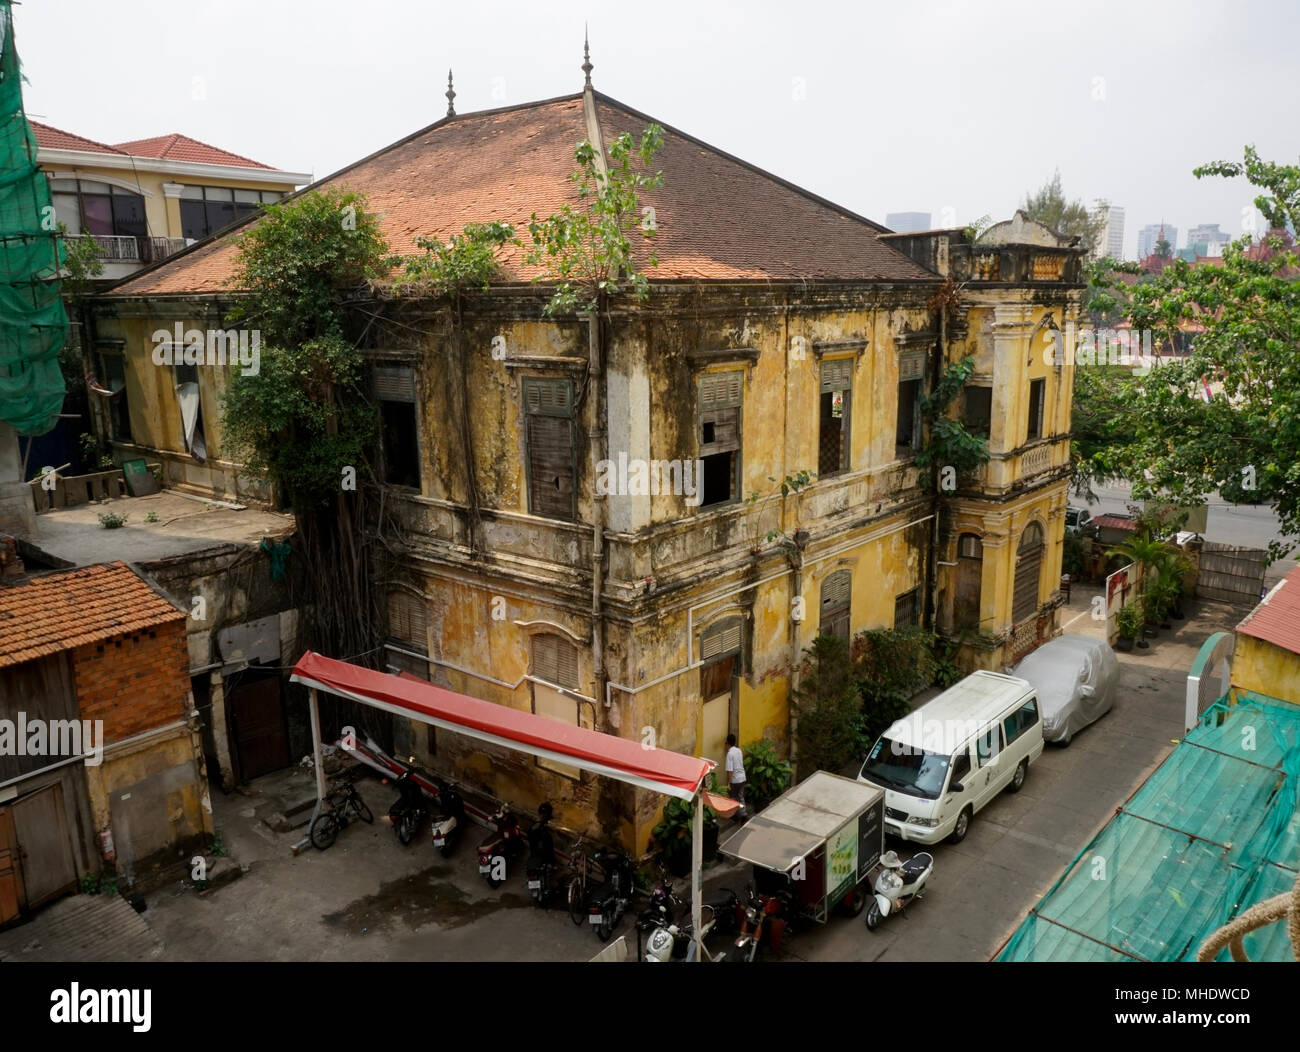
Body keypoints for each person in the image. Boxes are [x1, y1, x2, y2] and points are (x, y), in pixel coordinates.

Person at [724, 734, 747, 816]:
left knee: (733, 798)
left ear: (727, 743)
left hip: (735, 780)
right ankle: (743, 813)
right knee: (741, 797)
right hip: (743, 777)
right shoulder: (739, 751)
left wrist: (729, 783)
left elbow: (730, 770)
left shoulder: (729, 754)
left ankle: (736, 815)